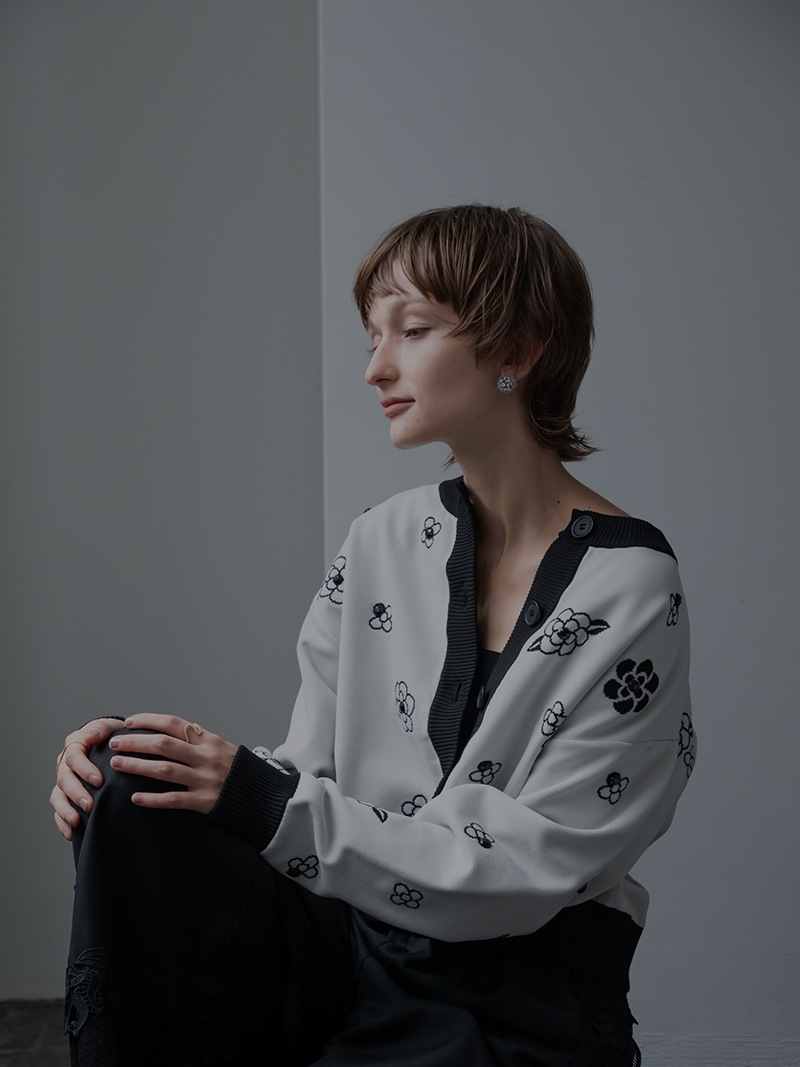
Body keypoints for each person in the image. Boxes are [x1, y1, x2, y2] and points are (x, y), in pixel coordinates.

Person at [51, 205, 695, 1067]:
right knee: (131, 779)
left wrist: (259, 797)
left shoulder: (633, 583)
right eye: (371, 338)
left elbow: (534, 869)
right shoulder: (381, 539)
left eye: (412, 330)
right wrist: (138, 760)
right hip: (351, 946)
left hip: (519, 983)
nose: (375, 368)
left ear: (519, 348)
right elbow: (310, 772)